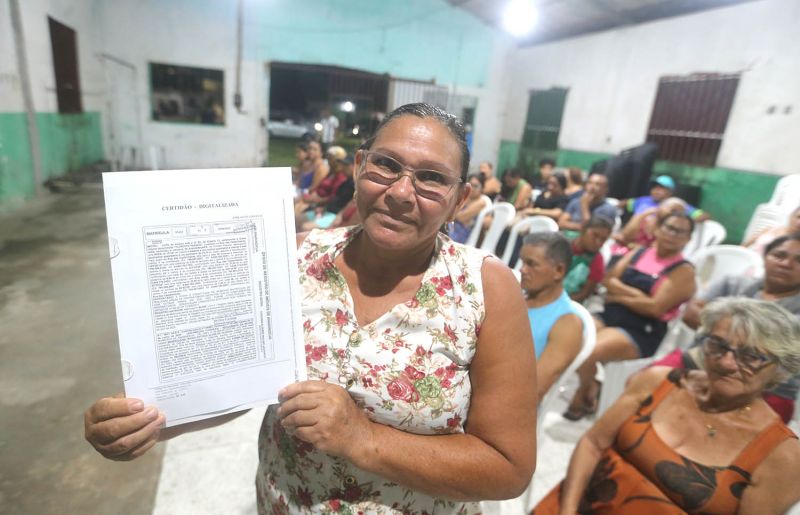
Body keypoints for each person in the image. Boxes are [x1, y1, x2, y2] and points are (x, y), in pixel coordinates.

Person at [84, 103, 538, 513]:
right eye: (386, 165)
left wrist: (364, 440)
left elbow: (508, 468)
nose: (401, 192)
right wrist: (150, 422)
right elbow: (238, 378)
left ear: (460, 198)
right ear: (360, 167)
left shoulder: (484, 287)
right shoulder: (291, 257)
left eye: (431, 177)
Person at [534, 298, 800, 515]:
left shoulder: (779, 454)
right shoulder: (660, 383)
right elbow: (593, 444)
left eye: (751, 356)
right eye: (718, 345)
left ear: (779, 368)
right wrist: (567, 510)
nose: (727, 362)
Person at [654, 233, 800, 422]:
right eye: (779, 255)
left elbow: (787, 353)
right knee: (644, 385)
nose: (786, 264)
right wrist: (755, 339)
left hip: (767, 386)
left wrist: (719, 326)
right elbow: (691, 315)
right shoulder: (733, 283)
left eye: (798, 260)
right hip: (702, 359)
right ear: (765, 257)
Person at [565, 213, 696, 419]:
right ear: (658, 229)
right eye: (669, 227)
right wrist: (639, 296)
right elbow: (608, 280)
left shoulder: (684, 272)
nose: (672, 234)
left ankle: (582, 395)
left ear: (688, 238)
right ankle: (592, 384)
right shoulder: (640, 253)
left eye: (680, 231)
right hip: (610, 314)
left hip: (641, 330)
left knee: (591, 351)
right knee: (571, 337)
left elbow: (655, 309)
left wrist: (619, 294)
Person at [518, 232, 583, 401]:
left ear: (559, 271)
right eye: (523, 261)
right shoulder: (514, 298)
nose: (522, 269)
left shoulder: (567, 324)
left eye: (531, 264)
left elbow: (533, 391)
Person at [610, 197, 687, 260]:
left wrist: (629, 244)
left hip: (642, 259)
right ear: (661, 206)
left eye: (678, 213)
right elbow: (626, 236)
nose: (673, 214)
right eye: (673, 210)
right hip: (621, 253)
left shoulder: (668, 233)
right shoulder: (644, 219)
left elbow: (652, 252)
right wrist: (642, 215)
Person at [563, 216, 613, 303]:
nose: (598, 242)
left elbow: (584, 294)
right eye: (595, 235)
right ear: (583, 230)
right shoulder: (562, 240)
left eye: (603, 239)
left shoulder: (597, 260)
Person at [301, 153, 356, 231]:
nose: (343, 167)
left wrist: (340, 216)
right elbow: (334, 199)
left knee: (305, 227)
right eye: (342, 164)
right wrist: (323, 207)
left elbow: (353, 203)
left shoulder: (356, 185)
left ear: (355, 166)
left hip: (336, 216)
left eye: (346, 165)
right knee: (298, 219)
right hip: (327, 211)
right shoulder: (345, 181)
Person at [622, 175, 708, 221]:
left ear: (670, 192)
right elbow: (625, 203)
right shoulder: (643, 200)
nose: (656, 190)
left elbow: (702, 216)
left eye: (661, 188)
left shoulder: (675, 205)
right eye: (655, 187)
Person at [450, 173, 491, 244]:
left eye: (475, 186)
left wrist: (450, 212)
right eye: (470, 184)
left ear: (482, 188)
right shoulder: (468, 198)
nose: (472, 188)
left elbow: (461, 217)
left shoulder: (481, 202)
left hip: (460, 234)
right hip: (453, 228)